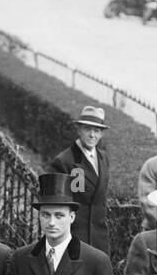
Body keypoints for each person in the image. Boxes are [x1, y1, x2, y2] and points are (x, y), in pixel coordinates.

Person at [47, 105, 111, 253]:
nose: (92, 135)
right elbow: (56, 204)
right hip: (73, 238)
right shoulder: (65, 161)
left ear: (101, 134)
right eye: (88, 129)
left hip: (99, 238)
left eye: (97, 131)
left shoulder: (103, 157)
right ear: (79, 130)